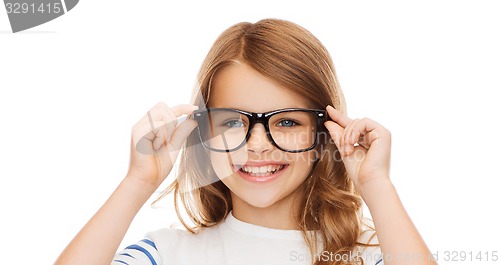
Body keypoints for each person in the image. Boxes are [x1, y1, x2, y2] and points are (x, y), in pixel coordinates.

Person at [55, 19, 436, 265]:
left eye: (286, 121)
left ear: (325, 130)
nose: (257, 145)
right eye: (233, 121)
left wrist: (377, 187)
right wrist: (136, 183)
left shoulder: (376, 255)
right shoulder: (165, 255)